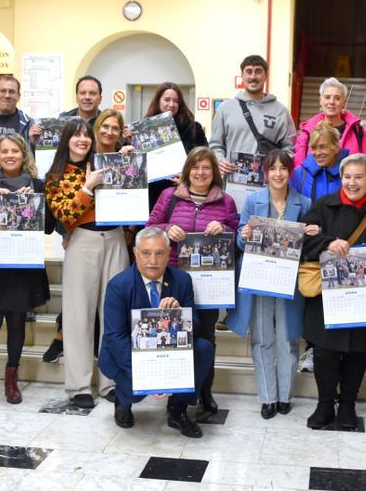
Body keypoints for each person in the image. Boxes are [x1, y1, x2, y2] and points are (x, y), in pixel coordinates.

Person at [301, 153, 366, 429]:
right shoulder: (323, 206)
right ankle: (325, 404)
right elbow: (302, 243)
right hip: (328, 297)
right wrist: (327, 244)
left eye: (358, 177)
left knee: (357, 353)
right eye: (347, 177)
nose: (352, 182)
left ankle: (347, 405)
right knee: (324, 352)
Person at [225, 150, 318, 419]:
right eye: (272, 169)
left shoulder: (305, 203)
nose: (278, 173)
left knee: (288, 339)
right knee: (263, 338)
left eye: (283, 168)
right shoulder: (253, 201)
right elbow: (241, 244)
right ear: (264, 173)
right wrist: (244, 235)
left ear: (291, 172)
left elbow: (310, 247)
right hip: (259, 278)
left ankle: (285, 395)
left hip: (288, 281)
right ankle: (267, 397)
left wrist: (312, 234)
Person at [147, 146, 238, 416]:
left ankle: (204, 392)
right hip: (174, 278)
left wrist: (224, 229)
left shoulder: (226, 201)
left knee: (206, 338)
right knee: (175, 336)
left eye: (206, 168)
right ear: (188, 170)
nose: (200, 173)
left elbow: (236, 238)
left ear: (214, 173)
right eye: (196, 167)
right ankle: (176, 397)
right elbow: (149, 227)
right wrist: (166, 229)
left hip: (211, 283)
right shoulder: (169, 196)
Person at [44, 118, 129, 409]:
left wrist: (130, 164)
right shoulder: (56, 176)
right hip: (82, 241)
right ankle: (79, 386)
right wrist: (88, 188)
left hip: (116, 238)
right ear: (66, 140)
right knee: (78, 316)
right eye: (76, 135)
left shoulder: (106, 163)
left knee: (113, 314)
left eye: (85, 135)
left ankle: (110, 382)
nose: (82, 139)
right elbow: (65, 215)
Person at [98, 227, 214, 437]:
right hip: (128, 355)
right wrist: (150, 377)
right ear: (135, 253)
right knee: (134, 393)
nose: (153, 260)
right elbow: (116, 338)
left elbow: (196, 328)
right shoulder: (118, 285)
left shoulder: (182, 280)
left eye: (159, 253)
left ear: (169, 254)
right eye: (146, 253)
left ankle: (178, 410)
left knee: (204, 348)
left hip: (168, 352)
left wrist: (180, 315)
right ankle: (123, 402)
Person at [0, 134, 55, 410]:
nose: (9, 155)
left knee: (17, 323)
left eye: (15, 151)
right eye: (4, 151)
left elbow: (49, 226)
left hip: (23, 266)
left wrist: (34, 205)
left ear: (24, 155)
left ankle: (11, 379)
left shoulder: (37, 185)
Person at [210, 55, 296, 176]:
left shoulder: (281, 111)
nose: (253, 77)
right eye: (249, 71)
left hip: (268, 185)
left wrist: (277, 169)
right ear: (242, 75)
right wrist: (220, 160)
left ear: (266, 75)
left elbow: (290, 148)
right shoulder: (225, 108)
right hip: (232, 183)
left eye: (258, 71)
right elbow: (215, 145)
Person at [141, 82, 208, 208]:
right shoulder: (144, 129)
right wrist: (130, 146)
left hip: (186, 193)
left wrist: (188, 175)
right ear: (158, 101)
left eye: (176, 101)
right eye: (167, 100)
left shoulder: (193, 128)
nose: (171, 104)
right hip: (153, 194)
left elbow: (206, 159)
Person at [293, 77, 366, 168]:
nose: (331, 102)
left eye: (337, 98)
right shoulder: (308, 131)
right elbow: (299, 167)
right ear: (320, 101)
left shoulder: (358, 131)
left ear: (344, 103)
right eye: (327, 97)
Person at [290, 121, 349, 202]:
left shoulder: (348, 175)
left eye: (322, 147)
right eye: (314, 148)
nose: (317, 153)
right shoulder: (298, 175)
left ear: (336, 148)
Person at [0, 75, 35, 158]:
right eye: (2, 91)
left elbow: (33, 160)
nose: (7, 95)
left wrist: (33, 143)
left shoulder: (30, 124)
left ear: (18, 96)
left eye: (12, 92)